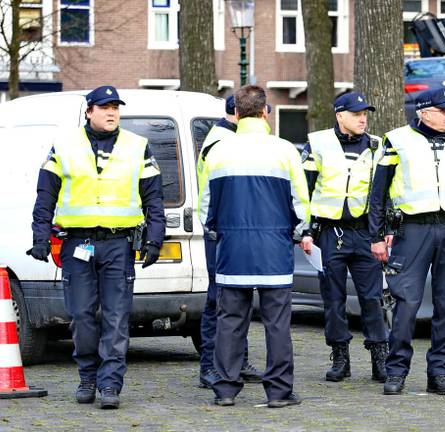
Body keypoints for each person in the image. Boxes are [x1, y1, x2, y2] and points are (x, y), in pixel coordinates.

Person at [28, 85, 165, 409]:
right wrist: (40, 237)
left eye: (115, 107)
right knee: (80, 316)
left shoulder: (137, 146)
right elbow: (46, 194)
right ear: (89, 111)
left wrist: (154, 239)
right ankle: (88, 375)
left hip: (118, 244)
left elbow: (154, 197)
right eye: (104, 107)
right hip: (78, 244)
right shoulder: (64, 146)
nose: (112, 112)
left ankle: (109, 385)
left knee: (117, 317)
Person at [198, 85, 309, 408]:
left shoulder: (218, 150)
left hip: (232, 250)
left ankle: (226, 389)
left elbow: (207, 208)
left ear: (236, 113)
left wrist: (219, 233)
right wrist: (299, 231)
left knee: (230, 321)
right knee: (277, 324)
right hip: (274, 250)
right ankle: (278, 391)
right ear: (264, 112)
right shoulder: (285, 150)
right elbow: (300, 203)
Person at [368, 88, 445, 395]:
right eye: (443, 110)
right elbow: (378, 192)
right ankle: (396, 371)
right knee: (406, 303)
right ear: (424, 112)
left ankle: (439, 372)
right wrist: (377, 236)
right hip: (412, 230)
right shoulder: (397, 140)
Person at [300, 92, 389, 383]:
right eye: (356, 113)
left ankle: (380, 355)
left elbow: (384, 194)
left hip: (365, 232)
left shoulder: (377, 146)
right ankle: (340, 357)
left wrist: (385, 231)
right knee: (333, 299)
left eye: (365, 113)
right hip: (329, 232)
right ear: (340, 116)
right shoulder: (318, 144)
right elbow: (305, 190)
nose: (363, 118)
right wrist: (306, 231)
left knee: (372, 298)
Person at [196, 95, 262, 389]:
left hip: (230, 229)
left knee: (237, 298)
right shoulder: (222, 141)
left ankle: (237, 359)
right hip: (222, 230)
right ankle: (210, 365)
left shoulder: (224, 138)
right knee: (219, 300)